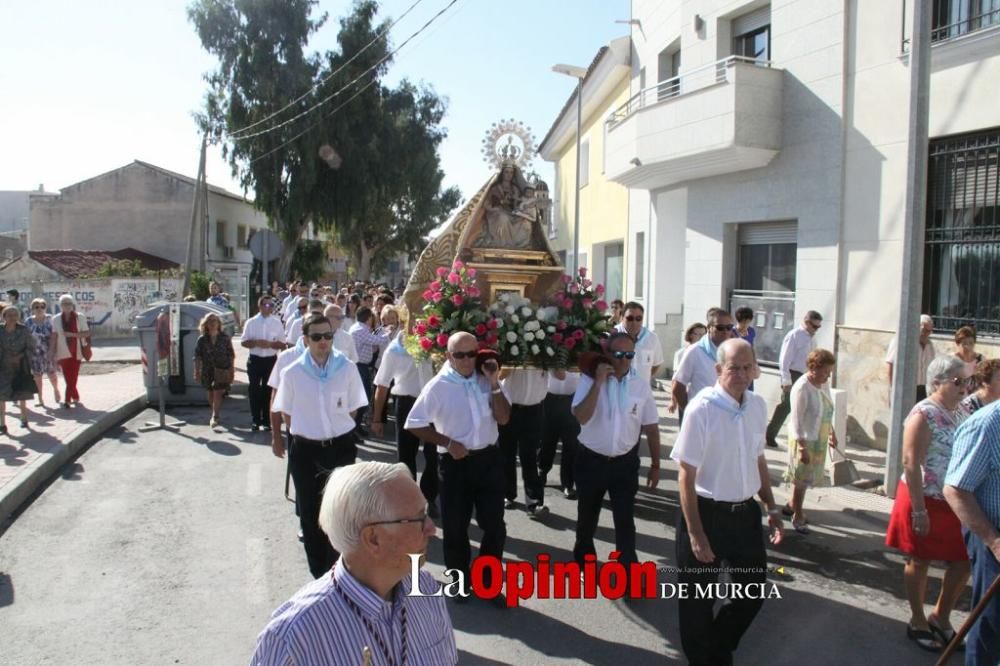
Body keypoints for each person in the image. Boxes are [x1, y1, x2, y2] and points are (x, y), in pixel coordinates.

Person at [249, 461, 457, 666]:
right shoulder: (293, 638)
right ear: (373, 538)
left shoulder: (426, 588)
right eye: (419, 518)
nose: (431, 528)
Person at [670, 338, 784, 666]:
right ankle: (704, 658)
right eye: (734, 367)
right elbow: (685, 476)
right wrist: (695, 534)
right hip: (705, 514)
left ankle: (717, 647)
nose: (742, 374)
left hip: (744, 515)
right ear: (719, 370)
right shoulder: (702, 408)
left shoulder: (757, 406)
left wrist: (772, 507)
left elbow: (758, 460)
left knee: (753, 590)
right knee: (697, 601)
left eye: (748, 367)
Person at [405, 333, 510, 601]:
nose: (466, 360)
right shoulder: (438, 386)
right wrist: (448, 442)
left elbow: (504, 418)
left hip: (488, 460)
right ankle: (459, 583)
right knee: (455, 527)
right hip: (455, 464)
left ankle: (489, 582)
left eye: (471, 354)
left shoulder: (487, 379)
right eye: (459, 355)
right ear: (449, 356)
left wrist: (495, 383)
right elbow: (414, 423)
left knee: (495, 525)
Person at [885, 355, 972, 652]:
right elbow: (911, 463)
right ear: (936, 383)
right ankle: (918, 620)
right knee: (919, 559)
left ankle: (941, 617)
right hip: (924, 498)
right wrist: (920, 511)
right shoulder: (924, 413)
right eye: (958, 382)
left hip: (953, 499)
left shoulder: (960, 410)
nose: (964, 387)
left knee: (963, 560)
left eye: (967, 381)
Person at [272, 313, 368, 578]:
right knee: (311, 512)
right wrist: (305, 432)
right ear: (305, 339)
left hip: (339, 448)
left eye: (328, 336)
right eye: (317, 337)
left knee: (338, 512)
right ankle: (319, 575)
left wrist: (335, 432)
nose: (324, 341)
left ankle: (337, 572)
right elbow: (286, 412)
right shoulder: (292, 373)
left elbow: (353, 408)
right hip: (305, 450)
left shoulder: (346, 368)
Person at [571, 332, 661, 569]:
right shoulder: (589, 380)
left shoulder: (640, 385)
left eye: (629, 355)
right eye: (618, 354)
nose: (624, 360)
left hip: (624, 463)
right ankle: (584, 562)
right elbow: (581, 416)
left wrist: (655, 465)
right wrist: (599, 382)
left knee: (624, 521)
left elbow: (651, 426)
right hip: (591, 461)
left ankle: (628, 570)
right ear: (607, 354)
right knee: (587, 519)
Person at [944, 401, 1000, 666]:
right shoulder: (988, 424)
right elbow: (955, 490)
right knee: (991, 621)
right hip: (991, 534)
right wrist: (995, 542)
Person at [371, 318, 438, 516]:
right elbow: (382, 385)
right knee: (406, 456)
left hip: (433, 404)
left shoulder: (436, 344)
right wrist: (377, 418)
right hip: (407, 403)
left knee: (434, 456)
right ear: (403, 323)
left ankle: (429, 497)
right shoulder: (394, 349)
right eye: (410, 321)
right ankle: (410, 501)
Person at [782, 349, 838, 534]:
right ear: (813, 368)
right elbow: (797, 420)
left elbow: (827, 407)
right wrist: (802, 448)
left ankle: (792, 505)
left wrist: (832, 432)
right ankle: (797, 517)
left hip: (818, 437)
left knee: (805, 479)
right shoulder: (802, 388)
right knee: (801, 479)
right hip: (804, 439)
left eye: (829, 372)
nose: (827, 376)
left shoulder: (823, 384)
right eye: (825, 372)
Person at [765, 310, 823, 448]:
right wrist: (786, 380)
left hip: (806, 375)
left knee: (805, 406)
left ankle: (801, 437)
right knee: (786, 406)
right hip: (793, 373)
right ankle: (770, 434)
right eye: (814, 326)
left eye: (818, 327)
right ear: (807, 322)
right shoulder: (794, 335)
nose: (816, 330)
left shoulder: (812, 337)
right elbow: (784, 360)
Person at [499, 367, 549, 516]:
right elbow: (500, 375)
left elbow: (559, 375)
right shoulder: (511, 347)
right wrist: (513, 363)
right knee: (507, 454)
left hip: (535, 409)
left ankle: (534, 501)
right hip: (510, 408)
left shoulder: (543, 349)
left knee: (530, 457)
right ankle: (508, 494)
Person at [672, 308, 735, 427]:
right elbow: (678, 386)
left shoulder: (733, 350)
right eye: (720, 328)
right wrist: (690, 412)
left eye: (729, 327)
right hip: (701, 418)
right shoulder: (695, 351)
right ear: (709, 328)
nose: (725, 331)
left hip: (726, 418)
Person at [241, 295, 285, 432]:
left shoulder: (277, 322)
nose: (269, 308)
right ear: (260, 306)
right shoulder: (251, 322)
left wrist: (271, 344)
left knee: (268, 391)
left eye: (271, 305)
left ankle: (266, 420)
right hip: (255, 359)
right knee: (254, 391)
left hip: (270, 360)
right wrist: (256, 343)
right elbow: (243, 342)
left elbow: (283, 344)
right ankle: (255, 420)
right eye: (266, 305)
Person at [538, 368, 581, 500]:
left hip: (572, 398)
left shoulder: (578, 348)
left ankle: (568, 483)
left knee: (571, 443)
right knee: (547, 439)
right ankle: (542, 471)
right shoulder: (553, 348)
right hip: (549, 398)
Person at [350, 306, 391, 434]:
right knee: (362, 398)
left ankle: (356, 427)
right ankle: (354, 428)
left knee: (363, 398)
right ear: (369, 318)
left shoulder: (359, 328)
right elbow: (380, 340)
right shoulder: (360, 329)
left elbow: (369, 344)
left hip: (361, 366)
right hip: (359, 366)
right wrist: (389, 331)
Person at [192, 312, 235, 429]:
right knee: (210, 393)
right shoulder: (202, 339)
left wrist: (232, 371)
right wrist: (196, 371)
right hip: (207, 370)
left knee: (217, 393)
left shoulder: (224, 338)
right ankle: (214, 410)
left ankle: (215, 416)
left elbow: (231, 355)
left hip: (222, 369)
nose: (212, 323)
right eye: (210, 321)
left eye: (215, 321)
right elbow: (197, 356)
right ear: (205, 324)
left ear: (219, 323)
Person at [50, 294, 90, 409]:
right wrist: (51, 352)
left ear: (72, 305)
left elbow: (86, 333)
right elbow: (54, 336)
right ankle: (74, 396)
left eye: (69, 303)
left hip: (77, 351)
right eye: (64, 303)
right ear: (60, 305)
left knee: (74, 375)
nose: (67, 306)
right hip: (63, 351)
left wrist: (73, 335)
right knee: (68, 376)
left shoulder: (80, 317)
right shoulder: (55, 319)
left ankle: (67, 399)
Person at [0, 305, 36, 432]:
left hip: (20, 366)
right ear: (3, 317)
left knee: (21, 394)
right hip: (3, 368)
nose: (12, 318)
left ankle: (24, 418)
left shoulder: (24, 330)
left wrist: (21, 356)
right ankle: (2, 423)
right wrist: (7, 357)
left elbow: (31, 347)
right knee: (1, 396)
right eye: (9, 315)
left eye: (15, 315)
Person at [886, 314, 937, 404]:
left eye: (929, 331)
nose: (926, 334)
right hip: (905, 388)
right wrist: (892, 388)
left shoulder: (930, 346)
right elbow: (890, 364)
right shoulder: (901, 341)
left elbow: (932, 368)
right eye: (924, 330)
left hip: (922, 389)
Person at [616, 301, 664, 382]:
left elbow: (656, 364)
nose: (634, 322)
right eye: (630, 318)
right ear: (622, 318)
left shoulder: (652, 338)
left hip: (641, 392)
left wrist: (641, 381)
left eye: (638, 319)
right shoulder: (612, 335)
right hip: (617, 390)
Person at [25, 298, 61, 408]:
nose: (39, 309)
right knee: (37, 377)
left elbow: (55, 335)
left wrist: (53, 351)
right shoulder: (29, 321)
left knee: (52, 374)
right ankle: (40, 399)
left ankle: (56, 390)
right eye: (36, 307)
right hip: (35, 353)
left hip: (48, 351)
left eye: (42, 307)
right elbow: (26, 337)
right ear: (32, 309)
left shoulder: (50, 319)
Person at [669, 323, 707, 415]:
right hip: (686, 397)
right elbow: (676, 379)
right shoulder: (681, 353)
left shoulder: (708, 353)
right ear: (690, 335)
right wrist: (673, 401)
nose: (701, 337)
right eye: (698, 334)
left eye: (704, 335)